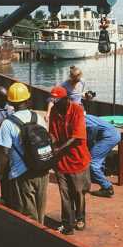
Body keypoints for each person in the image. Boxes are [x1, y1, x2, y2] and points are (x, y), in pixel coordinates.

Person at [0, 82, 49, 224]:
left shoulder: (8, 123)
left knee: (28, 217)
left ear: (10, 102)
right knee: (40, 215)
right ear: (28, 100)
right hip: (42, 171)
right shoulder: (38, 118)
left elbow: (4, 153)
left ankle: (32, 244)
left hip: (22, 175)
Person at [49, 85, 91, 235]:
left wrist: (58, 149)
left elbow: (76, 137)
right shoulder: (54, 111)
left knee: (78, 192)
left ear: (66, 99)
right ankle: (67, 222)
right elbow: (52, 132)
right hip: (61, 161)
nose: (55, 103)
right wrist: (52, 143)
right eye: (53, 100)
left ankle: (80, 217)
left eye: (58, 100)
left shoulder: (77, 110)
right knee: (64, 193)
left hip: (77, 159)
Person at [86, 114, 120, 198]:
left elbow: (93, 127)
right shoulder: (86, 116)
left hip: (108, 137)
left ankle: (107, 187)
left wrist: (89, 142)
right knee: (98, 158)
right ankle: (98, 178)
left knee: (92, 163)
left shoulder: (81, 118)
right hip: (111, 135)